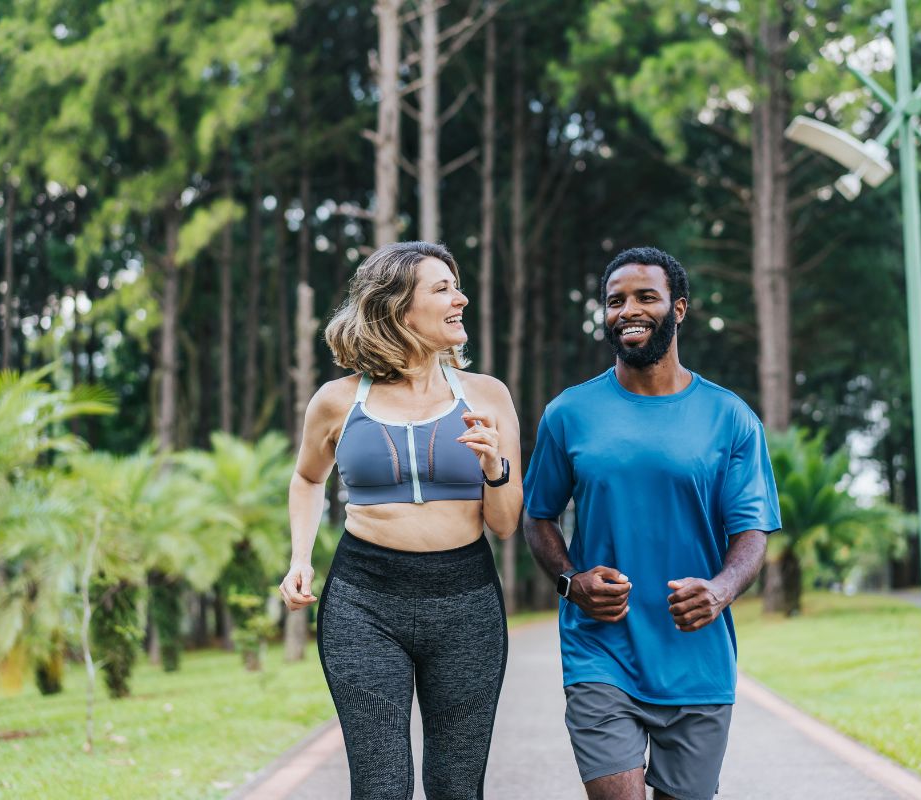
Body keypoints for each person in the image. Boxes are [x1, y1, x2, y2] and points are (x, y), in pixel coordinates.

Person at [521, 246, 781, 800]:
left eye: (645, 297)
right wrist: (571, 581)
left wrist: (720, 590)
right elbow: (537, 516)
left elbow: (752, 531)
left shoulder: (730, 417)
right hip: (600, 650)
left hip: (698, 657)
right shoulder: (569, 413)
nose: (627, 310)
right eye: (615, 301)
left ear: (679, 308)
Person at [279, 241, 523, 800]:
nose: (460, 299)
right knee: (381, 786)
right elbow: (309, 479)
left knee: (456, 787)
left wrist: (494, 466)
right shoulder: (338, 401)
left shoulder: (487, 396)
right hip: (364, 601)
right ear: (396, 307)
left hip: (466, 603)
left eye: (456, 286)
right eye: (442, 289)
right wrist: (299, 560)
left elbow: (506, 525)